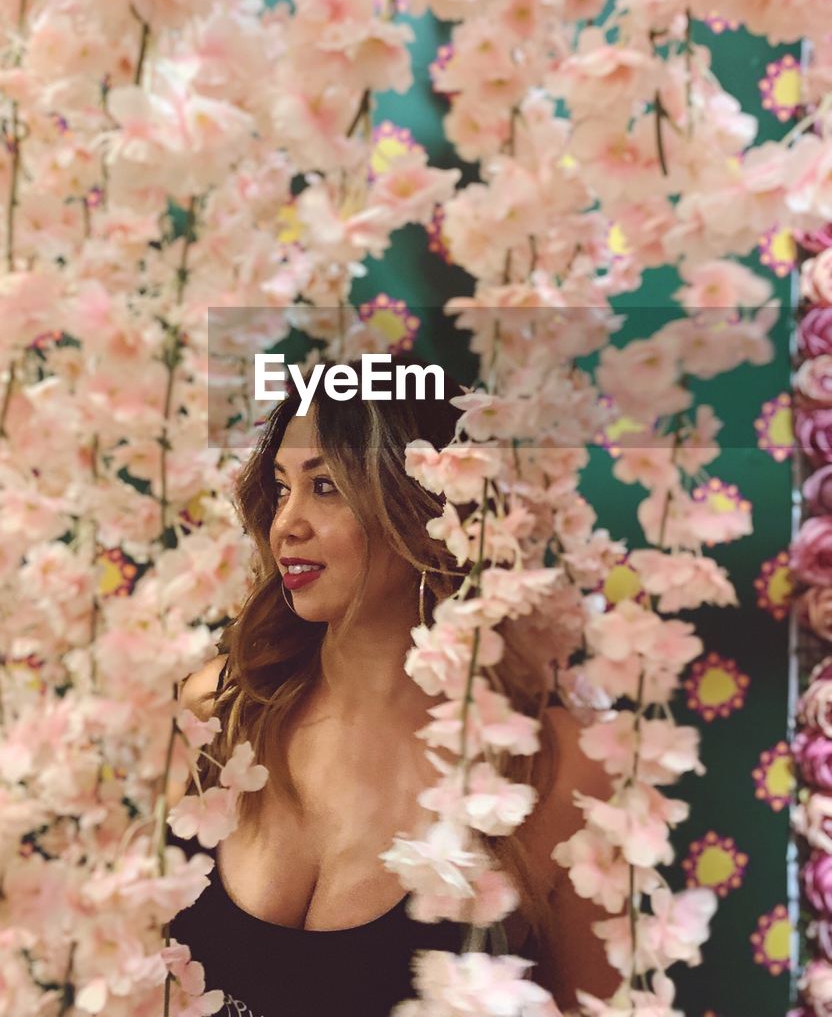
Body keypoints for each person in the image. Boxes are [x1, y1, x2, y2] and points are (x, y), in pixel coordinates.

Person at [166, 354, 622, 1016]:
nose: (287, 522)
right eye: (281, 485)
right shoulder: (219, 710)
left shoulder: (557, 768)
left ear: (426, 503)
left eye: (326, 487)